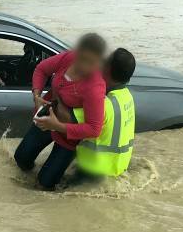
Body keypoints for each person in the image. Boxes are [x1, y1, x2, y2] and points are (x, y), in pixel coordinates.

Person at [13, 33, 107, 190]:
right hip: (49, 116)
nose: (85, 66)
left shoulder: (95, 87)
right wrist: (36, 95)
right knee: (21, 158)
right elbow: (41, 69)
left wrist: (57, 126)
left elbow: (94, 129)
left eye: (92, 62)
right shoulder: (67, 58)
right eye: (82, 59)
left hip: (69, 134)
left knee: (44, 184)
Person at [53, 48, 137, 181]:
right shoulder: (127, 97)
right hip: (117, 168)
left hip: (93, 172)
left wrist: (57, 92)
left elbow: (65, 118)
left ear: (107, 69)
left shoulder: (103, 104)